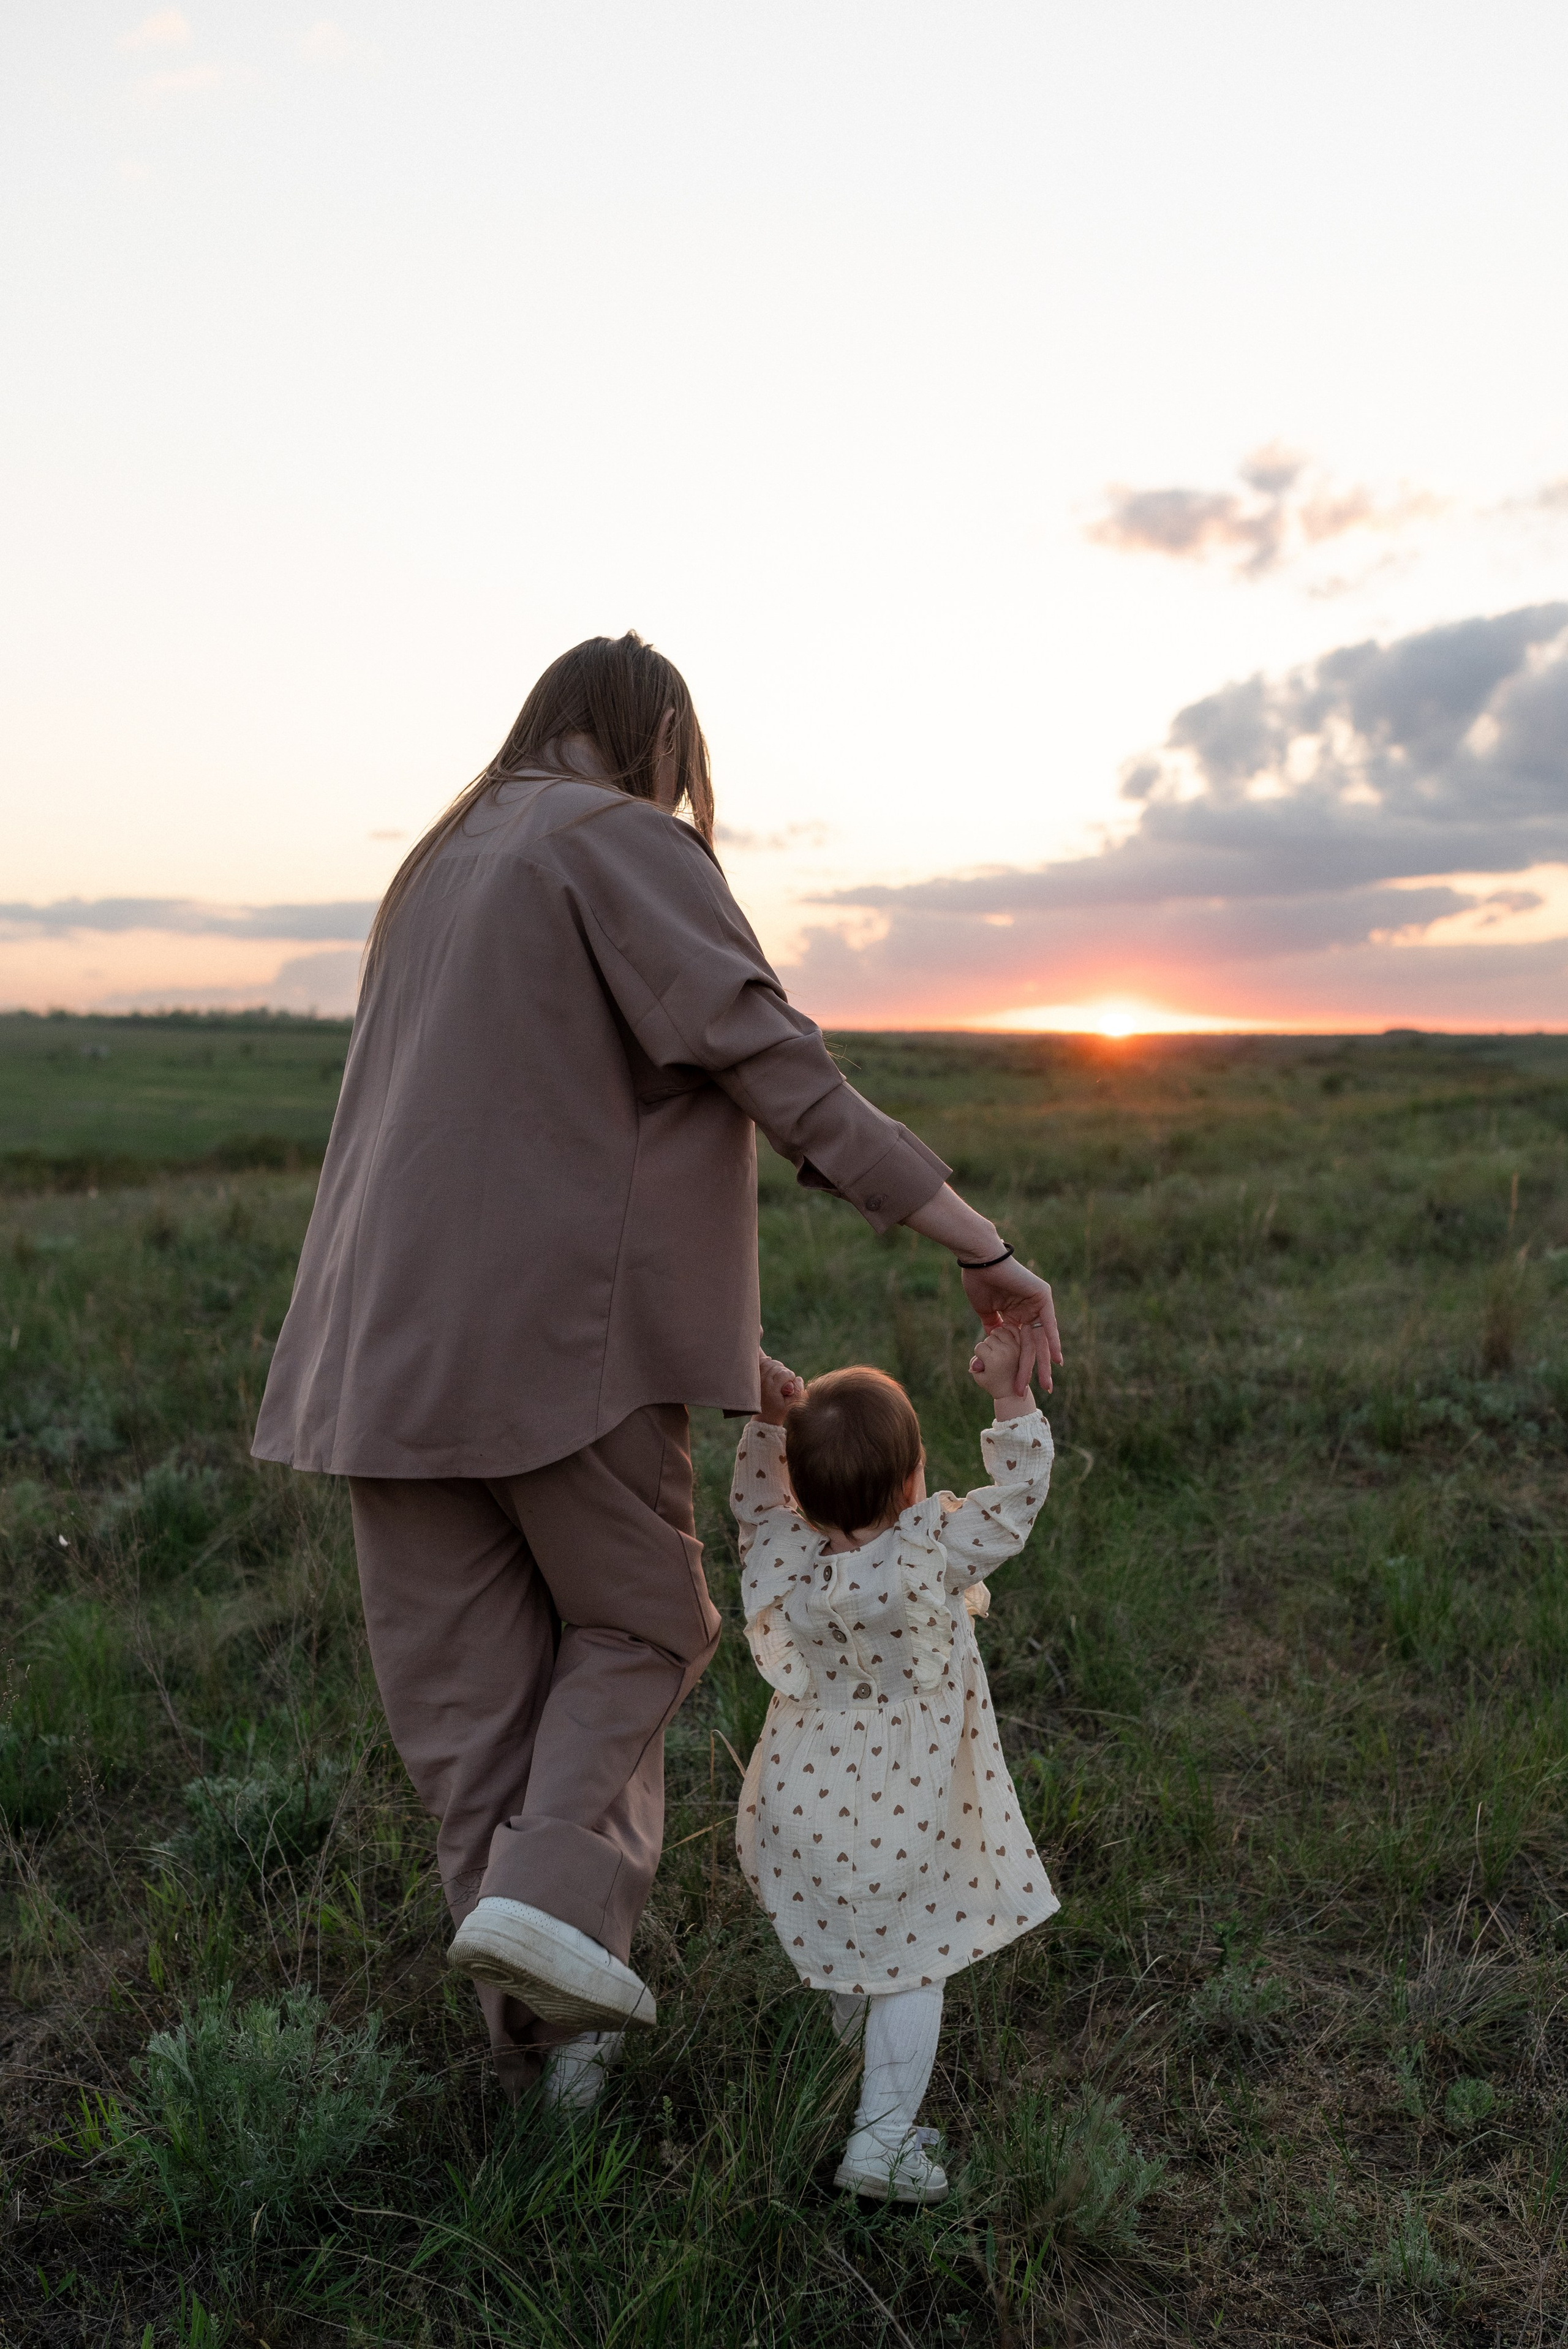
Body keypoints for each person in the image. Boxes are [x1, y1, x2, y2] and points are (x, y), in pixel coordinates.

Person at [252, 631, 1061, 2104]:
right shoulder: (621, 838)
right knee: (640, 1629)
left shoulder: (431, 871)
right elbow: (774, 1061)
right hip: (559, 1356)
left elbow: (513, 1124)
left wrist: (705, 1330)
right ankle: (555, 1926)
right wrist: (972, 1236)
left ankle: (541, 2088)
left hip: (376, 1356)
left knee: (470, 1728)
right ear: (659, 740)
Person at [730, 1332, 1058, 2203]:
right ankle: (881, 2141)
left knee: (853, 1949)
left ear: (801, 1491)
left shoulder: (785, 1561)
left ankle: (869, 2089)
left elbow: (756, 1509)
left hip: (803, 1797)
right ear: (915, 1480)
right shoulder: (929, 1552)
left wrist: (768, 1423)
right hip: (905, 1805)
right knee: (915, 1962)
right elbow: (1017, 1500)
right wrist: (1009, 1399)